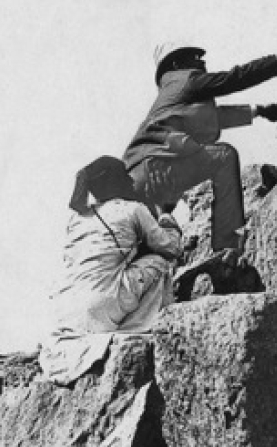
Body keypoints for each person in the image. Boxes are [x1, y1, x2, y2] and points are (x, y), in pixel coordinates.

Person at [123, 39, 277, 261]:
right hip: (156, 170)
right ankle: (228, 246)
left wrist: (261, 111)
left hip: (136, 178)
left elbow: (210, 117)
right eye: (193, 56)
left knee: (144, 253)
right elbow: (234, 78)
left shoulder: (173, 94)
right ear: (176, 63)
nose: (201, 61)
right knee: (224, 157)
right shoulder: (186, 80)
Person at [39, 155, 183, 385]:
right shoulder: (133, 209)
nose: (131, 182)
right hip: (102, 305)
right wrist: (166, 214)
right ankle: (139, 328)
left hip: (69, 311)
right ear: (114, 181)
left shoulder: (77, 218)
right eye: (125, 177)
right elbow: (170, 247)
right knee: (160, 262)